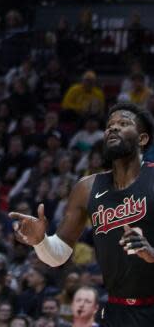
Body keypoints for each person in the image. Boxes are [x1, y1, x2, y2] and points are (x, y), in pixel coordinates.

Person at [11, 103, 154, 326]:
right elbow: (58, 255)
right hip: (116, 309)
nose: (113, 129)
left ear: (142, 139)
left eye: (123, 124)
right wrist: (40, 241)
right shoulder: (86, 188)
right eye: (110, 126)